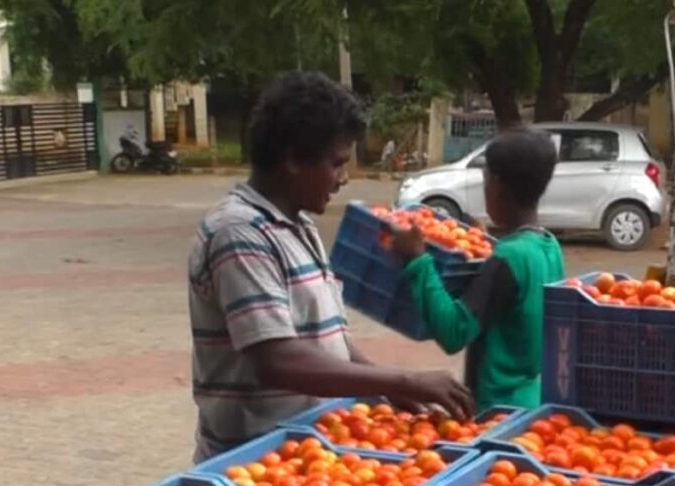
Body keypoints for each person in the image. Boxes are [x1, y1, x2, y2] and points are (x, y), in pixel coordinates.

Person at [187, 72, 472, 462]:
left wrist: (388, 385)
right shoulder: (240, 234)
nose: (342, 179)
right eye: (337, 163)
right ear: (292, 159)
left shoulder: (298, 225)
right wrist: (404, 379)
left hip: (305, 451)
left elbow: (322, 338)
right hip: (250, 460)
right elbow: (278, 359)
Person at [391, 127, 565, 411]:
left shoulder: (508, 258)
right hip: (531, 398)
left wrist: (418, 261)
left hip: (497, 410)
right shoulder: (548, 246)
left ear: (496, 184)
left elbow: (454, 332)